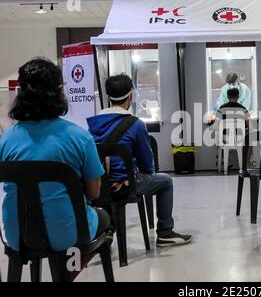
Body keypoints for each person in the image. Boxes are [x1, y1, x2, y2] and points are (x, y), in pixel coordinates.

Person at [0, 58, 110, 252]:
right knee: (105, 217)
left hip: (17, 236)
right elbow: (94, 192)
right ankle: (69, 272)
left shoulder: (6, 139)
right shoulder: (80, 137)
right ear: (60, 92)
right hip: (70, 234)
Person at [87, 74, 192, 247]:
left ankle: (107, 229)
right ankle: (165, 232)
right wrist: (147, 172)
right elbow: (146, 163)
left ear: (108, 97)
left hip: (100, 186)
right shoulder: (136, 124)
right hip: (127, 184)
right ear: (130, 96)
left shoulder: (93, 124)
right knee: (165, 181)